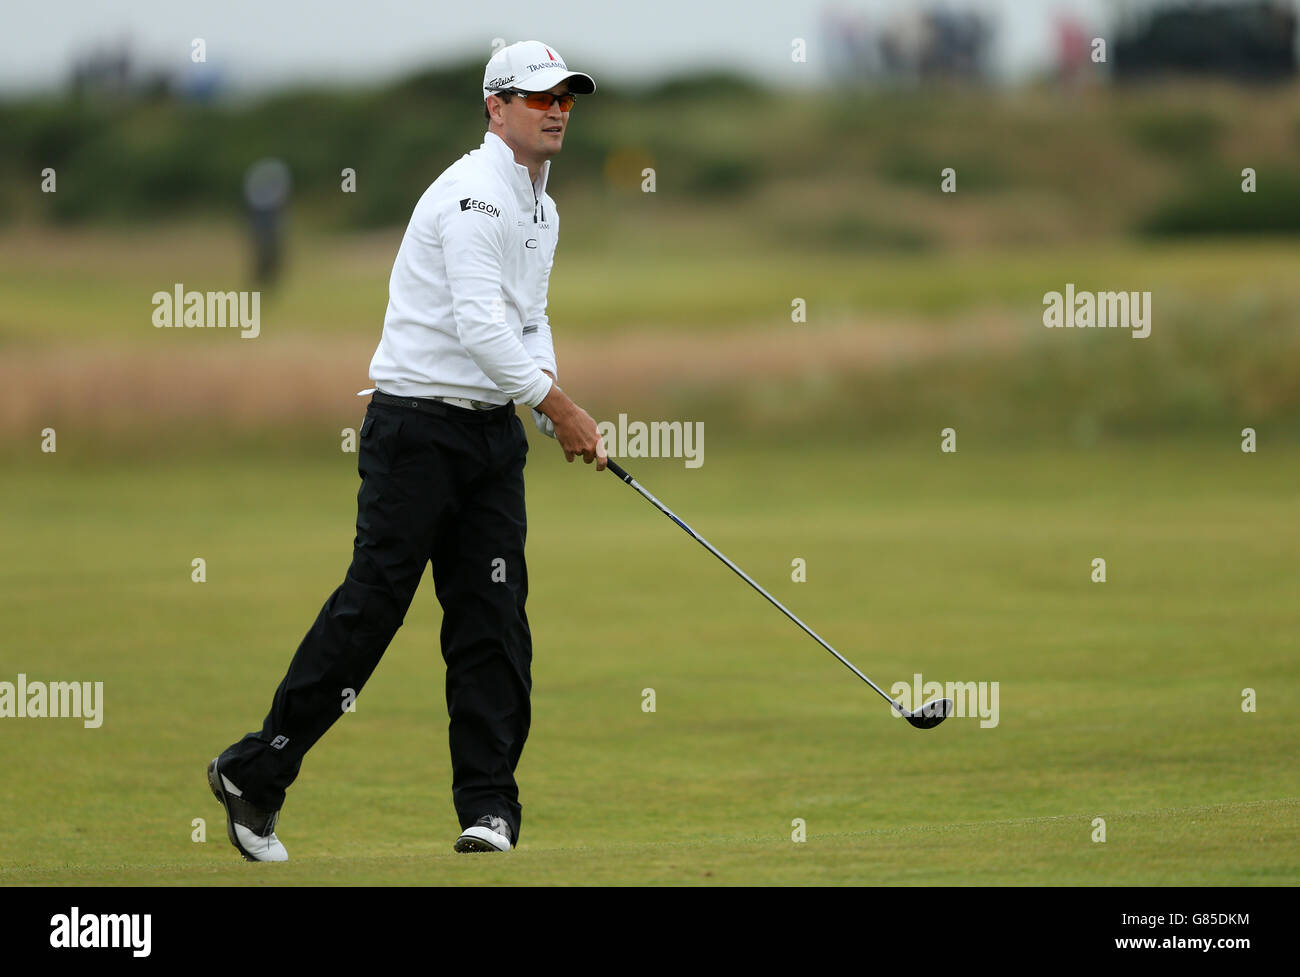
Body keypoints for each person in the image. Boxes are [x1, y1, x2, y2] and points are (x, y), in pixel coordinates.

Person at [208, 40, 606, 860]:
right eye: (540, 97)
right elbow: (480, 325)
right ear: (496, 107)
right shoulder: (471, 197)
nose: (557, 110)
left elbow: (528, 319)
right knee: (371, 611)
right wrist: (557, 404)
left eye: (566, 97)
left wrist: (542, 397)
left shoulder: (543, 208)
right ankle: (255, 771)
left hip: (490, 437)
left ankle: (488, 807)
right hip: (416, 432)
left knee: (493, 617)